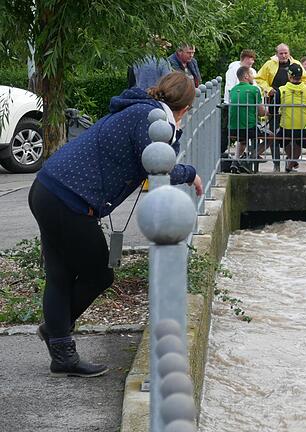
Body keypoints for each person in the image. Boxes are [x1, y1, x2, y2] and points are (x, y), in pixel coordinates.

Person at [29, 72, 202, 377]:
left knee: (60, 274)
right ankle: (58, 338)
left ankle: (59, 344)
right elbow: (161, 167)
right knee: (99, 274)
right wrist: (191, 172)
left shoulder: (141, 110)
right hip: (69, 199)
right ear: (186, 107)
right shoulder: (150, 119)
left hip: (48, 188)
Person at [254, 43, 306, 170]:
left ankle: (290, 161)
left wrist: (295, 89)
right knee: (274, 134)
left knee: (293, 136)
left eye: (286, 53)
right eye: (281, 53)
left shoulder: (296, 64)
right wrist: (268, 89)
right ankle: (276, 164)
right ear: (276, 54)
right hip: (275, 101)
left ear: (289, 53)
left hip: (293, 105)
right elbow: (259, 78)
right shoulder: (269, 64)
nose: (284, 55)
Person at [276, 63, 306, 173]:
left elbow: (273, 110)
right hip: (304, 127)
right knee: (299, 142)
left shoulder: (281, 90)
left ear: (289, 76)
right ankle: (292, 162)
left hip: (286, 127)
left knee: (282, 138)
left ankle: (291, 162)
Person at [229, 66, 266, 170]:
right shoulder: (254, 89)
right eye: (251, 74)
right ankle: (250, 158)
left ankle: (235, 162)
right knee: (271, 137)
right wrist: (269, 112)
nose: (253, 77)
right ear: (246, 76)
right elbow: (261, 113)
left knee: (243, 141)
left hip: (233, 128)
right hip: (249, 127)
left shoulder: (233, 90)